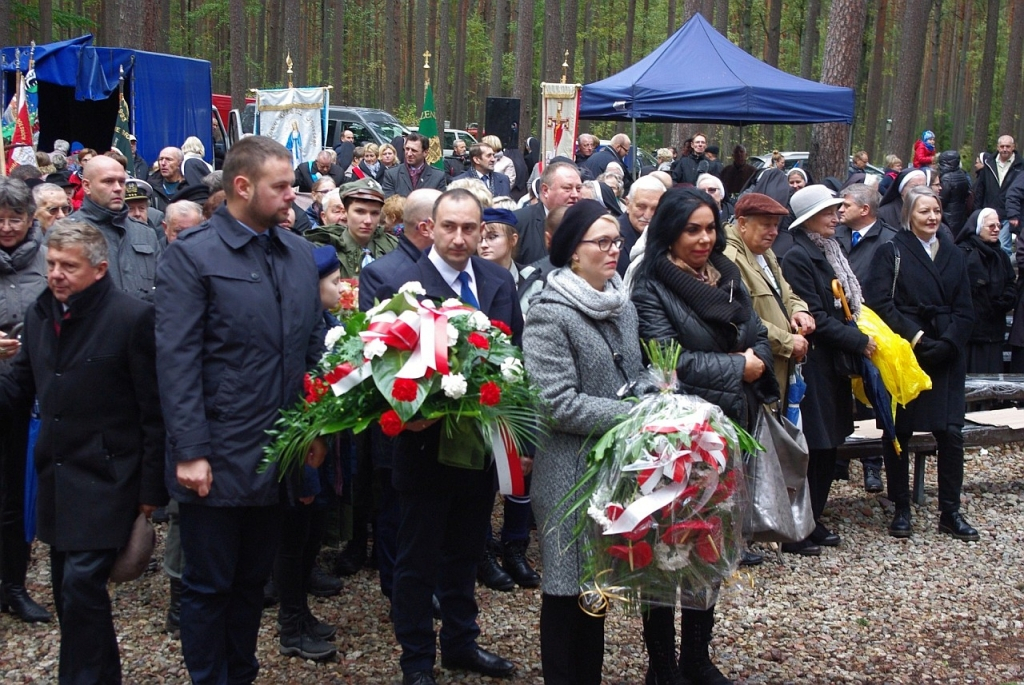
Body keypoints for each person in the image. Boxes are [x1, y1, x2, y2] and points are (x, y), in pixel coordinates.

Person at [155, 136, 326, 684]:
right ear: (242, 186)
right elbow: (176, 361)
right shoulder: (192, 256)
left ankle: (241, 673)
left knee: (254, 582)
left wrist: (315, 430)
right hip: (217, 455)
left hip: (278, 452)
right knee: (210, 586)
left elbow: (308, 350)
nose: (292, 197)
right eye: (281, 187)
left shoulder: (298, 253)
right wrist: (191, 451)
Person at [0, 219, 166, 682]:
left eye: (67, 266)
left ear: (98, 269)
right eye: (51, 264)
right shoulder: (40, 313)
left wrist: (151, 491)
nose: (55, 273)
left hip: (109, 478)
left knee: (80, 586)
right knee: (69, 594)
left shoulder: (131, 317)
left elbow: (154, 412)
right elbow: (18, 388)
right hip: (57, 477)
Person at [631, 188, 776, 684]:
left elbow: (759, 334)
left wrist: (754, 361)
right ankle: (662, 663)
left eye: (710, 228)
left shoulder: (727, 275)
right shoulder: (650, 285)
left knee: (710, 545)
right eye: (692, 229)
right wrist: (740, 366)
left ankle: (696, 655)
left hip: (730, 427)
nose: (704, 238)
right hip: (678, 435)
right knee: (666, 547)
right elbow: (666, 360)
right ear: (670, 230)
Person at [377, 188, 521, 685]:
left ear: (484, 231)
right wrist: (406, 409)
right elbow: (375, 365)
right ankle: (416, 660)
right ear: (429, 229)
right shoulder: (398, 283)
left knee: (466, 552)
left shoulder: (499, 281)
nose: (459, 238)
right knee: (417, 562)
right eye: (449, 227)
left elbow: (513, 354)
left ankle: (461, 642)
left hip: (479, 449)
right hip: (424, 447)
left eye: (469, 228)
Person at [524, 199, 642, 684]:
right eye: (603, 242)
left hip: (613, 468)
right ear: (574, 252)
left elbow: (633, 376)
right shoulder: (549, 314)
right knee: (565, 589)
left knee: (596, 589)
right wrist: (637, 414)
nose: (614, 250)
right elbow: (556, 404)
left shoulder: (622, 302)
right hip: (567, 472)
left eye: (617, 240)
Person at [863, 187, 978, 541]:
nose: (931, 218)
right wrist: (917, 338)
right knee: (900, 432)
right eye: (924, 211)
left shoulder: (954, 254)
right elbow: (881, 302)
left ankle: (950, 509)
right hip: (907, 351)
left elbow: (966, 307)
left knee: (952, 433)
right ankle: (900, 506)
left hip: (947, 352)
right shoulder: (891, 251)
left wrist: (949, 342)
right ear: (909, 214)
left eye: (936, 211)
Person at [781, 185, 877, 556]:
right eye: (829, 212)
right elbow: (816, 316)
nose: (836, 217)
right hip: (815, 364)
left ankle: (813, 519)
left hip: (832, 363)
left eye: (838, 210)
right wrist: (857, 341)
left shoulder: (830, 250)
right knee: (814, 446)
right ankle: (796, 529)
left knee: (828, 446)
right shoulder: (798, 256)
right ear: (809, 218)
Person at [358, 188, 441, 603]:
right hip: (402, 409)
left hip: (443, 413)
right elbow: (375, 349)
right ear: (427, 227)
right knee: (396, 508)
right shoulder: (385, 274)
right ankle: (399, 591)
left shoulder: (448, 267)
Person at [474, 207, 542, 590]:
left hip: (522, 388)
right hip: (482, 391)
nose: (484, 243)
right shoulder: (473, 280)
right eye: (480, 235)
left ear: (514, 240)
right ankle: (482, 548)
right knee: (482, 468)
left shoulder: (534, 281)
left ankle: (515, 546)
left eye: (493, 236)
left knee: (520, 466)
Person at [0, 178, 52, 625]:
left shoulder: (45, 255)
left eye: (15, 217)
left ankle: (13, 584)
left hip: (27, 391)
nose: (6, 226)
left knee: (15, 495)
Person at [724, 193, 814, 402]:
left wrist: (799, 310)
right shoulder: (730, 260)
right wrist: (788, 342)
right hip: (757, 374)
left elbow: (784, 292)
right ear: (743, 224)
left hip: (779, 366)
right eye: (766, 225)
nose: (774, 232)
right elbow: (738, 319)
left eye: (776, 225)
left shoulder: (765, 252)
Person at [72, 155, 162, 301]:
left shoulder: (145, 233)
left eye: (121, 182)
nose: (118, 188)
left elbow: (163, 288)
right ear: (87, 186)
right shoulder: (67, 232)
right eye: (108, 181)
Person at [956, 208, 1014, 373]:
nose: (996, 229)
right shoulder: (963, 253)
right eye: (991, 226)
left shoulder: (1001, 255)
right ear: (978, 227)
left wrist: (1007, 298)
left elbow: (1010, 282)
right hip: (972, 333)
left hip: (994, 329)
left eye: (998, 225)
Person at [305, 178, 398, 277]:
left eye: (374, 213)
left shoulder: (393, 246)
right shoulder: (325, 247)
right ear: (345, 212)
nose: (368, 221)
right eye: (360, 212)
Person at [513, 161, 583, 264]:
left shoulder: (588, 223)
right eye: (567, 188)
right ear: (545, 190)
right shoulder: (519, 222)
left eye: (578, 188)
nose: (575, 194)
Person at [979, 135, 1024, 253]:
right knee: (987, 246)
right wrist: (977, 210)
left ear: (1013, 147)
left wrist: (1015, 214)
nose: (1005, 149)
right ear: (997, 147)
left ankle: (1004, 271)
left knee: (1004, 247)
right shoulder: (989, 164)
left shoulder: (1020, 166)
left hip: (1009, 213)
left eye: (1008, 146)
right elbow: (980, 188)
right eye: (1002, 146)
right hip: (990, 211)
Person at [617, 176, 666, 276]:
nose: (647, 215)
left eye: (655, 209)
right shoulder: (613, 237)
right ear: (627, 204)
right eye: (641, 207)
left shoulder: (667, 235)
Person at [382, 132, 447, 198]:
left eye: (414, 150)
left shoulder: (438, 176)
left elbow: (440, 204)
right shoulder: (391, 174)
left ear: (425, 153)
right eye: (407, 149)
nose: (409, 154)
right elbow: (389, 204)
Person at [935, 151, 972, 236]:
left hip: (948, 216)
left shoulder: (946, 178)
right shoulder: (962, 174)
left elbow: (942, 199)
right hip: (961, 215)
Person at [148, 147, 186, 211]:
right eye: (161, 159)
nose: (163, 163)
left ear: (180, 163)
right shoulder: (151, 187)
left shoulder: (189, 186)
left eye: (168, 159)